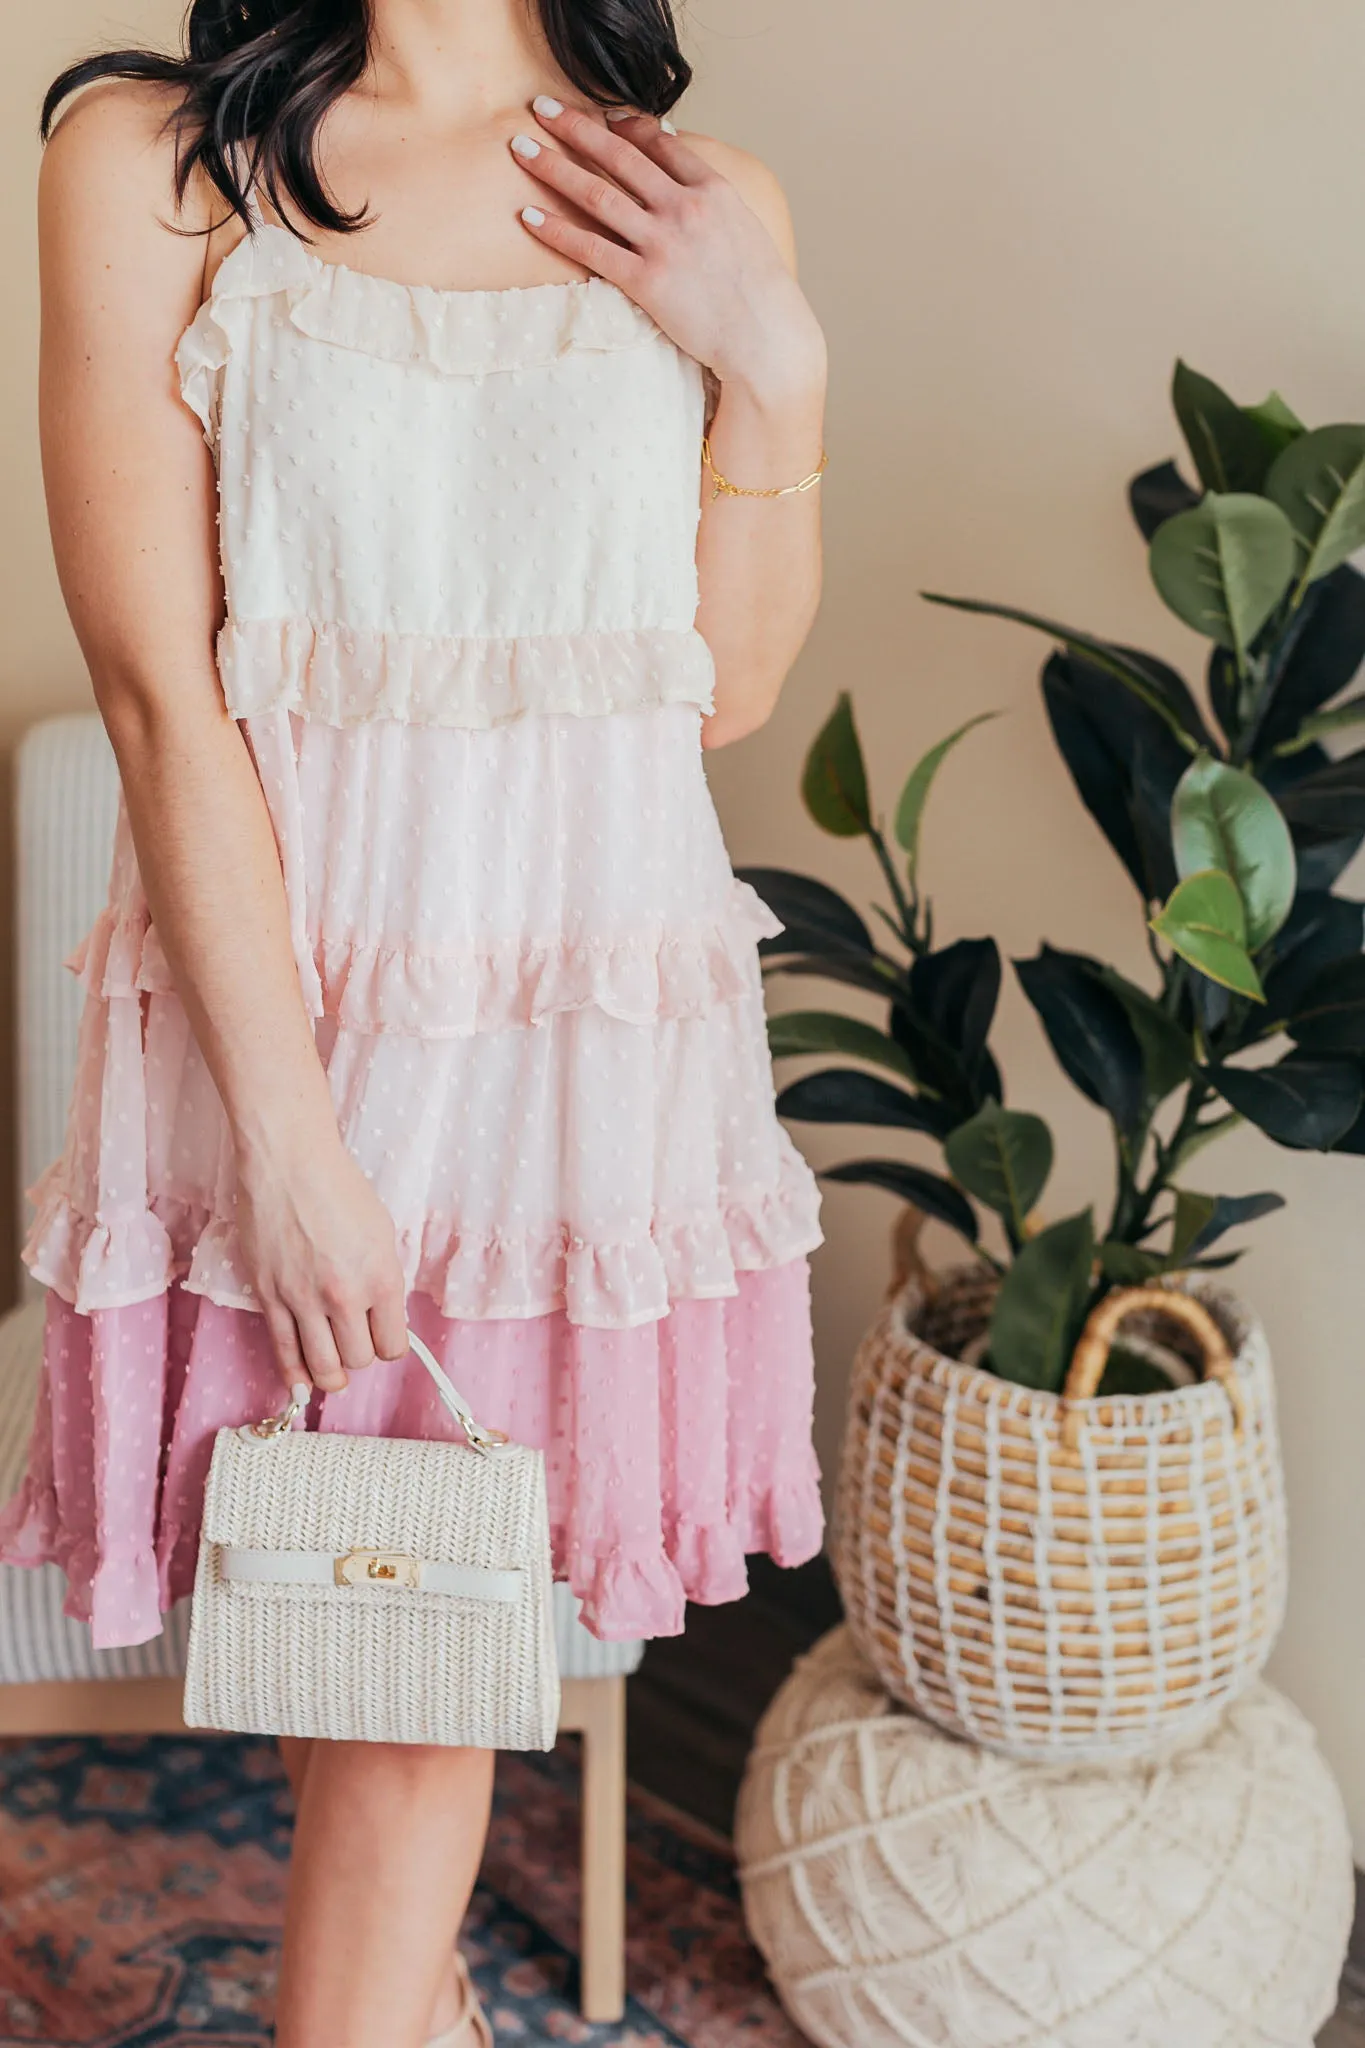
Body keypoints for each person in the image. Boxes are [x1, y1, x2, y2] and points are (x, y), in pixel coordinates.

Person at [1, 0, 829, 2040]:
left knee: (405, 1682)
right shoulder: (153, 160)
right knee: (364, 1635)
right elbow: (154, 694)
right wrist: (289, 1147)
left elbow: (710, 686)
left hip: (570, 1057)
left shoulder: (694, 197)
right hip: (282, 1024)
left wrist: (773, 364)